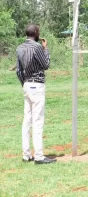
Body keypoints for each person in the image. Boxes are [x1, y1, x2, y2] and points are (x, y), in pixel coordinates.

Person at [16, 24, 55, 164]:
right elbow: (46, 65)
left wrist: (25, 84)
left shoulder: (19, 48)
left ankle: (26, 154)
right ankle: (39, 156)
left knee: (27, 121)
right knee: (37, 121)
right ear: (36, 33)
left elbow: (18, 71)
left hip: (26, 85)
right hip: (37, 85)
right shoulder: (38, 47)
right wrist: (46, 49)